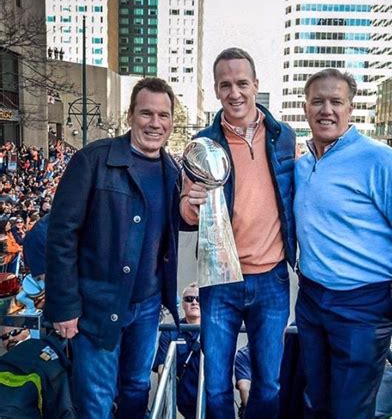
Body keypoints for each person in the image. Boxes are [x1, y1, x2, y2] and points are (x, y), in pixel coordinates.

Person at [294, 68, 392, 418]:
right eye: (318, 101)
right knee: (314, 400)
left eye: (336, 102)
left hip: (364, 305)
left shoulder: (381, 160)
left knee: (350, 409)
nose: (326, 109)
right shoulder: (302, 164)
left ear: (350, 109)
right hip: (312, 299)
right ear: (305, 108)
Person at [45, 77, 182, 419]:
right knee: (96, 401)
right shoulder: (93, 160)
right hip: (96, 305)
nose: (155, 123)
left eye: (163, 115)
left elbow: (176, 228)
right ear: (130, 116)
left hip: (147, 307)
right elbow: (61, 235)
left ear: (171, 121)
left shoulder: (172, 171)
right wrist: (64, 306)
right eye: (146, 113)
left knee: (137, 388)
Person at [180, 47, 297, 418]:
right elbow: (185, 213)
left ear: (256, 85)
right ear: (216, 89)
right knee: (215, 385)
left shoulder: (284, 136)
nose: (235, 93)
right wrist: (192, 203)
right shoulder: (201, 143)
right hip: (219, 281)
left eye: (242, 83)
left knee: (269, 383)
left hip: (272, 279)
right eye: (225, 84)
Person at [153, 282, 201, 419]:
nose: (194, 302)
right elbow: (162, 369)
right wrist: (171, 406)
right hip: (180, 404)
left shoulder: (214, 331)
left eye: (199, 299)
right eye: (189, 299)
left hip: (209, 400)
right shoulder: (171, 331)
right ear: (183, 304)